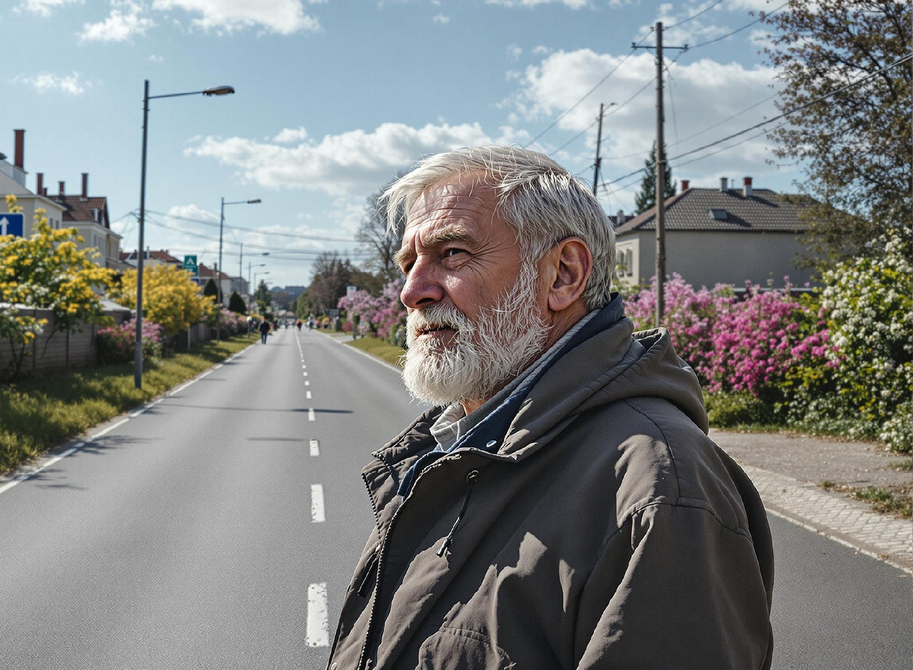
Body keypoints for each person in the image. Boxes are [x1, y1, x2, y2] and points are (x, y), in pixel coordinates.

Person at [326, 146, 773, 670]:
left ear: (563, 275)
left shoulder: (660, 486)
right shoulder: (457, 443)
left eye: (452, 254)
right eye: (408, 263)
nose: (411, 292)